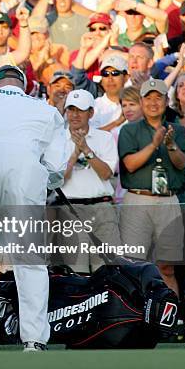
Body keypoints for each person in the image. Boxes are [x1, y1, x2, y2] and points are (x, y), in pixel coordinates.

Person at [0, 65, 69, 351]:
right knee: (30, 262)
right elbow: (57, 168)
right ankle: (34, 339)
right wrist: (43, 182)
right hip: (24, 180)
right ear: (25, 87)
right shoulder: (46, 110)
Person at [118, 79, 185, 295]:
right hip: (138, 201)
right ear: (140, 101)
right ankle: (135, 320)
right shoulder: (129, 130)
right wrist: (153, 145)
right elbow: (130, 164)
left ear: (167, 101)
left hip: (168, 201)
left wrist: (170, 145)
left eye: (158, 97)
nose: (153, 102)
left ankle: (171, 321)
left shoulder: (177, 130)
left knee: (167, 267)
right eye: (148, 98)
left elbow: (181, 163)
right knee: (134, 263)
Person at [55, 89, 121, 274]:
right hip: (70, 210)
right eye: (71, 109)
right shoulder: (57, 139)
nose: (74, 115)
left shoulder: (104, 138)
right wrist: (76, 153)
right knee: (76, 272)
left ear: (91, 113)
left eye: (80, 110)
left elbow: (106, 173)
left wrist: (86, 150)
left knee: (107, 271)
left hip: (102, 210)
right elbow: (59, 179)